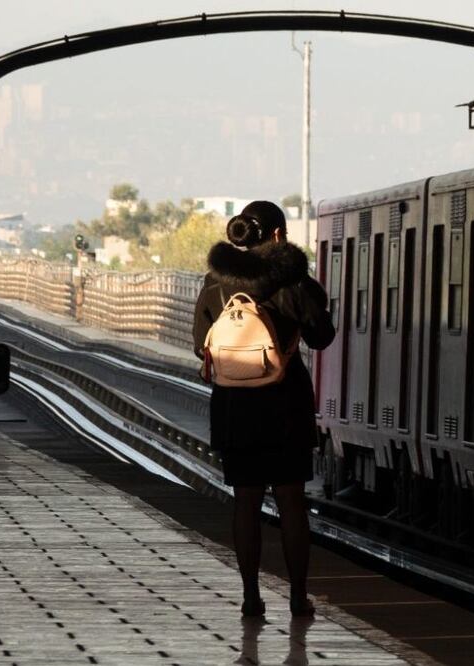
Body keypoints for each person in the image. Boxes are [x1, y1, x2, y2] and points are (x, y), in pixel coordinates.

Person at [192, 200, 334, 619]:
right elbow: (322, 337)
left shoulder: (214, 285)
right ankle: (297, 596)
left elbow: (202, 343)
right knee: (291, 502)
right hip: (285, 404)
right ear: (276, 235)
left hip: (235, 405)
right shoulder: (292, 284)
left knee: (246, 502)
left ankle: (251, 596)